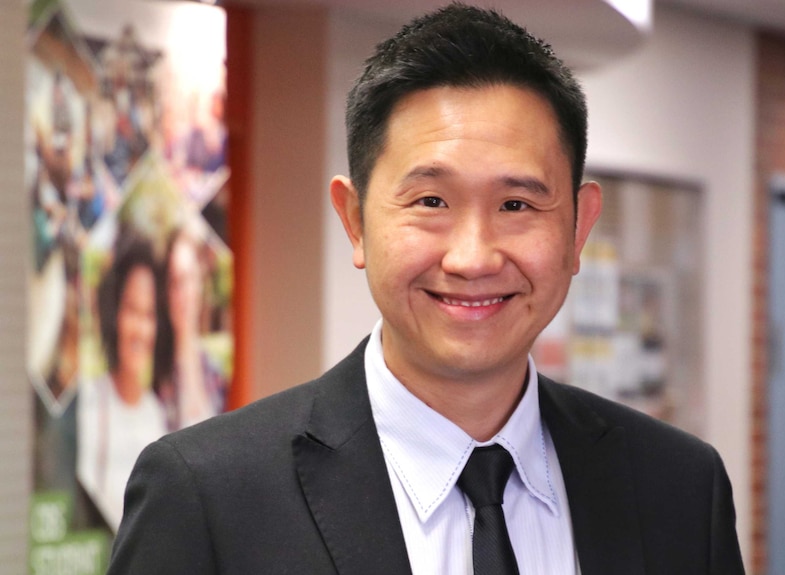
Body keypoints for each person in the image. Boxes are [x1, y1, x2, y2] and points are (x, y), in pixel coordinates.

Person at [108, 4, 745, 574]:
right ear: (354, 220)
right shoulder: (207, 497)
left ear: (579, 229)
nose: (472, 257)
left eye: (518, 204)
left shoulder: (679, 488)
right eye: (431, 200)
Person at [77, 234, 167, 532]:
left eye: (149, 314)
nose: (141, 329)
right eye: (131, 310)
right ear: (114, 312)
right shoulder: (88, 403)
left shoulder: (158, 415)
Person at [155, 224, 227, 431]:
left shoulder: (218, 374)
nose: (181, 295)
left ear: (200, 283)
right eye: (173, 283)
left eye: (187, 279)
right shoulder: (157, 379)